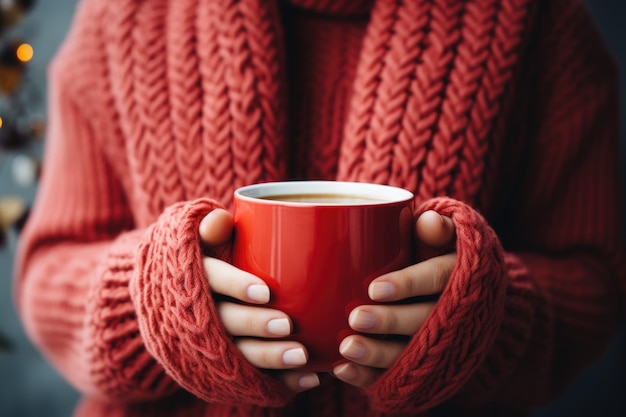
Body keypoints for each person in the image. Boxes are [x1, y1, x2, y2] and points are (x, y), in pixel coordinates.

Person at [13, 0, 626, 416]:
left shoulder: (540, 23)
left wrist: (490, 319)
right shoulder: (124, 17)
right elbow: (47, 267)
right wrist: (149, 304)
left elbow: (594, 279)